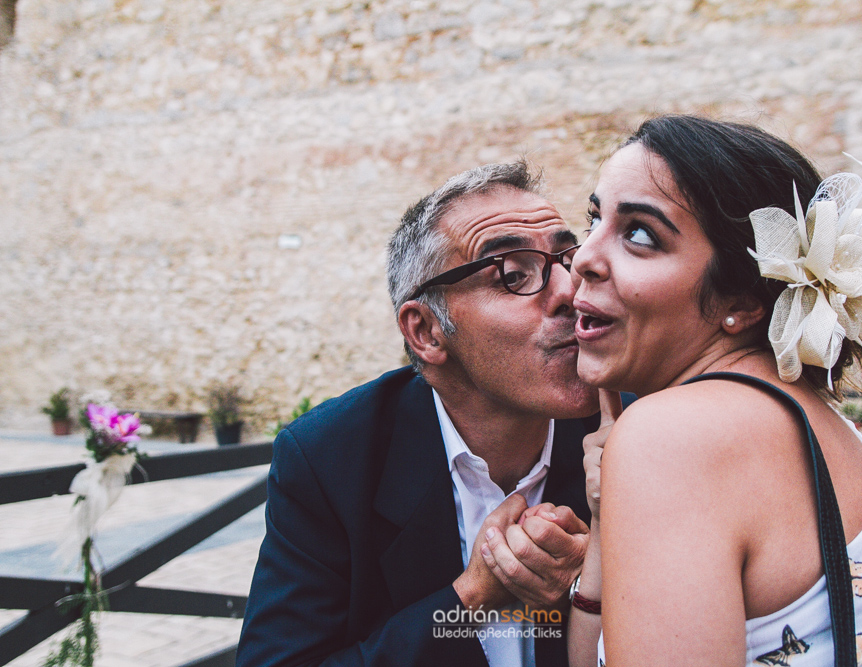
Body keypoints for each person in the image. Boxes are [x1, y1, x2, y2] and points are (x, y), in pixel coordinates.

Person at [551, 115, 862, 666]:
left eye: (640, 234)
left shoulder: (675, 437)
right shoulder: (820, 419)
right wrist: (604, 521)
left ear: (742, 302)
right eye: (594, 219)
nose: (583, 257)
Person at [236, 161, 614, 667]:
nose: (571, 291)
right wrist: (470, 600)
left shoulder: (628, 432)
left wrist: (598, 577)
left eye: (568, 259)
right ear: (427, 332)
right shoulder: (332, 457)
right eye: (513, 274)